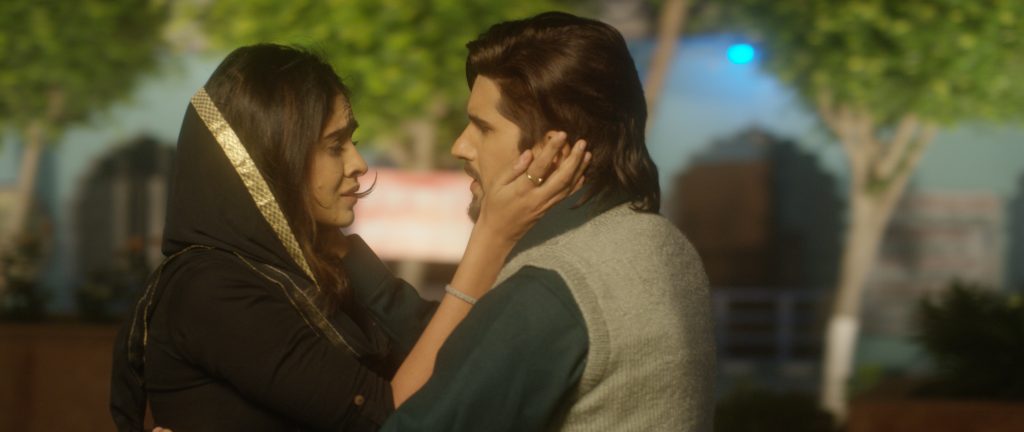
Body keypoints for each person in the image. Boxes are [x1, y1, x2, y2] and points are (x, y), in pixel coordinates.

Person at [109, 43, 589, 431]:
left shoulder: (311, 270)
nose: (358, 164)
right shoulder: (212, 289)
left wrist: (347, 254)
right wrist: (492, 237)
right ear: (272, 159)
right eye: (334, 145)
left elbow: (438, 348)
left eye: (352, 141)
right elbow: (394, 419)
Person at [357, 12, 716, 431]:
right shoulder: (667, 244)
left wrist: (488, 239)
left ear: (553, 153)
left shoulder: (550, 286)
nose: (460, 146)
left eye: (483, 128)